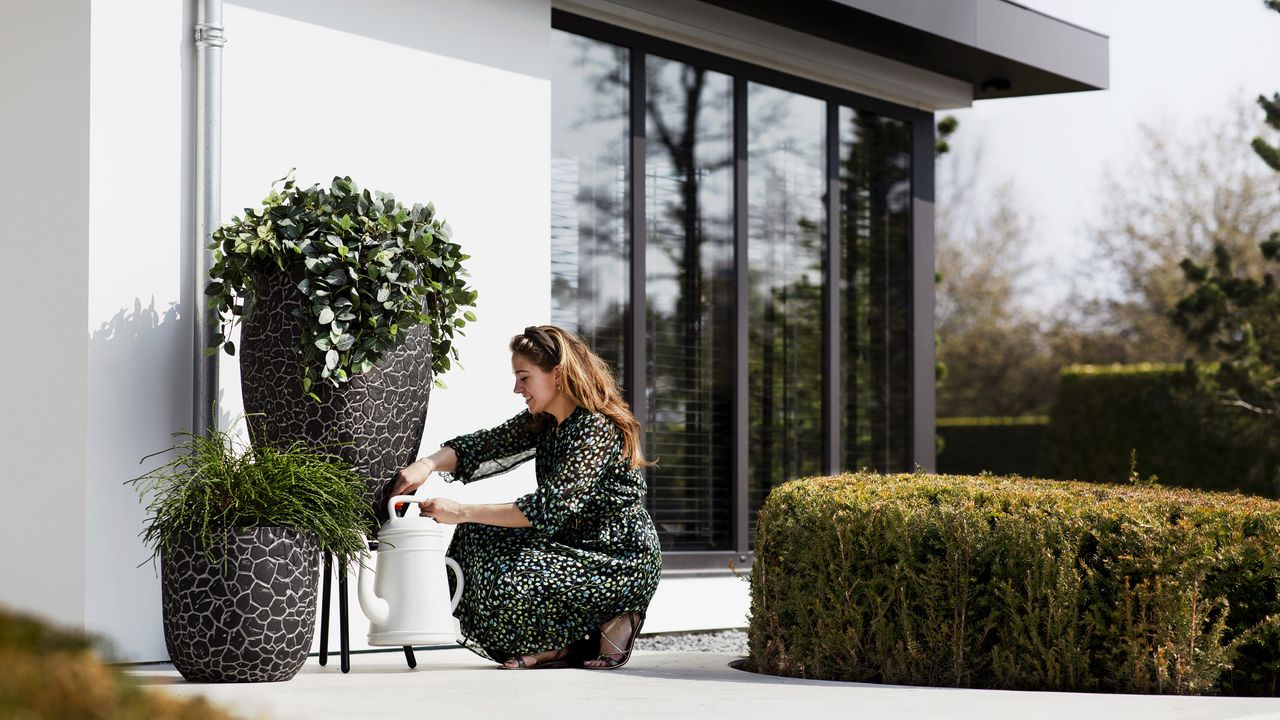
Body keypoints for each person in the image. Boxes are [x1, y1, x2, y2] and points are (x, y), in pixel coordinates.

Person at [390, 325, 662, 669]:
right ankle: (557, 644)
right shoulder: (546, 420)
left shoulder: (595, 428)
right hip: (570, 544)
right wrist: (426, 465)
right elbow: (484, 444)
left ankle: (617, 614)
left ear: (558, 375)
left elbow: (544, 510)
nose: (517, 388)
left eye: (524, 377)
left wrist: (459, 510)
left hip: (618, 558)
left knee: (515, 569)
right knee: (477, 536)